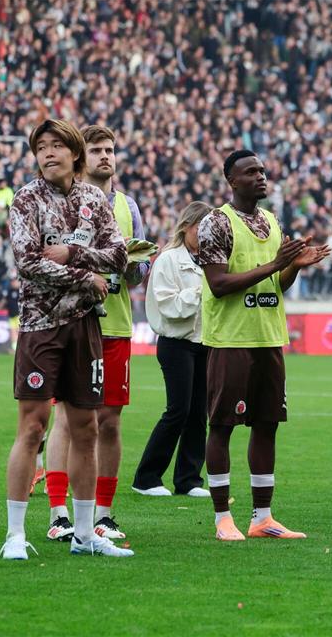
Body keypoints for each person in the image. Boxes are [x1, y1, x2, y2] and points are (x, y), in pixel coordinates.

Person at [2, 118, 132, 559]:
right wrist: (86, 277)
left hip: (86, 328)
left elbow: (118, 254)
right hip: (40, 325)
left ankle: (83, 533)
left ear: (75, 152)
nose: (48, 153)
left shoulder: (95, 199)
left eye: (57, 145)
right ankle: (15, 535)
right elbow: (28, 262)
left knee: (86, 428)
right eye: (41, 147)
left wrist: (73, 253)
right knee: (33, 427)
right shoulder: (25, 199)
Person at [199, 149, 329, 541]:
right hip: (231, 339)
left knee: (267, 425)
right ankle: (223, 517)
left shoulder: (271, 222)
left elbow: (276, 285)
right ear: (231, 180)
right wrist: (275, 264)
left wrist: (292, 267)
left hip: (269, 337)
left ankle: (263, 517)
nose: (260, 176)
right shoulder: (215, 224)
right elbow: (219, 285)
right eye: (250, 171)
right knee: (222, 426)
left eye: (262, 170)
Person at [44, 125, 150, 542]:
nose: (106, 156)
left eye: (110, 149)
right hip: (69, 322)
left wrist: (131, 260)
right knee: (66, 420)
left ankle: (103, 515)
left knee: (109, 421)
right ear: (79, 156)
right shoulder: (62, 202)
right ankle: (58, 514)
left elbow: (138, 274)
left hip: (116, 324)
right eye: (97, 150)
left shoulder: (129, 206)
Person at [133, 202, 213, 497]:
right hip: (176, 343)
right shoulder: (167, 260)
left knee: (198, 413)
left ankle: (189, 479)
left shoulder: (211, 260)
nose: (206, 236)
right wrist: (203, 291)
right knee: (177, 410)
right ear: (187, 227)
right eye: (201, 229)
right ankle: (147, 478)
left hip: (204, 342)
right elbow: (170, 307)